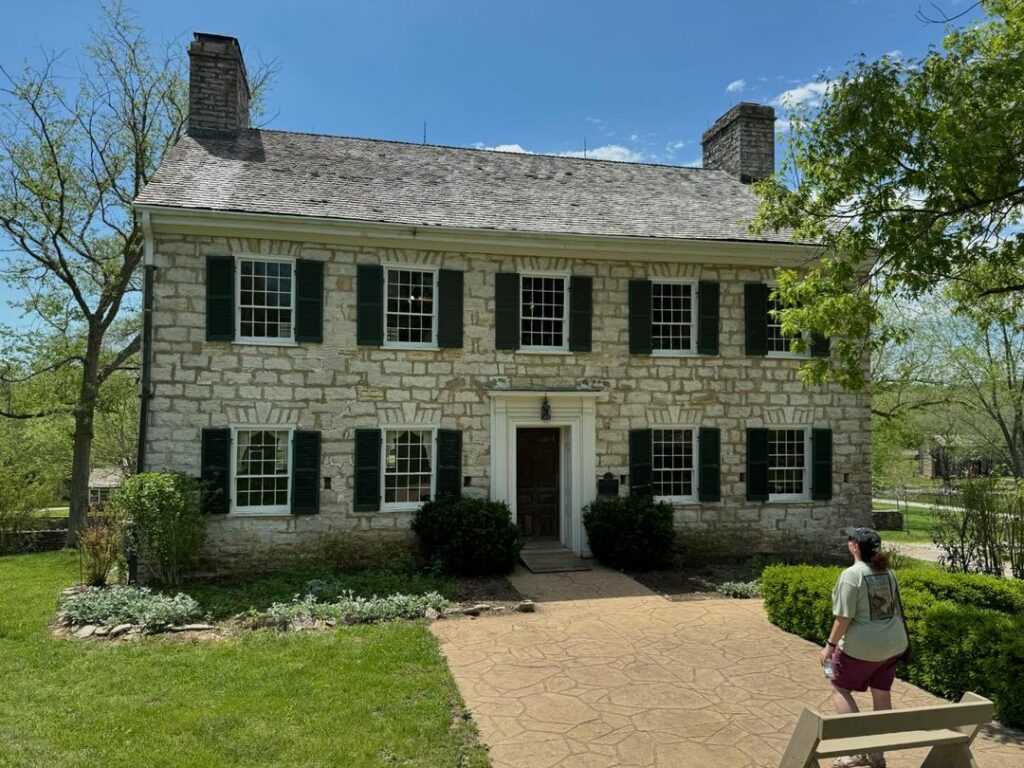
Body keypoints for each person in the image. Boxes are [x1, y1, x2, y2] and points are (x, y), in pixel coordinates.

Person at [820, 526, 909, 768]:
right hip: (894, 644)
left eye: (850, 539)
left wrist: (829, 646)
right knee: (881, 694)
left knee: (838, 685)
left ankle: (853, 753)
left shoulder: (852, 574)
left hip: (863, 646)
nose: (848, 541)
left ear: (855, 547)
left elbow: (843, 618)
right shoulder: (887, 572)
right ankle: (877, 755)